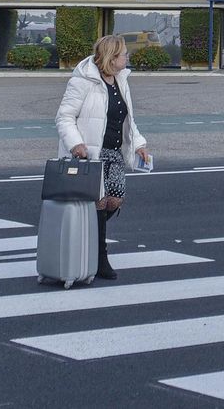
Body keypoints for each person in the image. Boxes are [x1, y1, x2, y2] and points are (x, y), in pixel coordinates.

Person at [55, 34, 150, 281]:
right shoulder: (83, 81)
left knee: (115, 200)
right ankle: (99, 258)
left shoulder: (120, 80)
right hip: (91, 154)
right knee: (97, 204)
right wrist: (75, 143)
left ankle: (85, 237)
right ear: (111, 57)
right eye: (123, 54)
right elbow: (64, 117)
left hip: (115, 152)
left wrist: (139, 144)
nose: (127, 57)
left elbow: (127, 120)